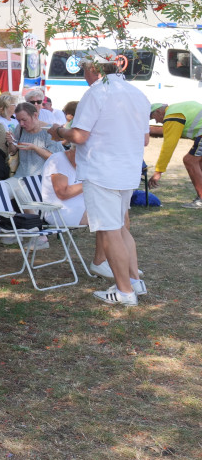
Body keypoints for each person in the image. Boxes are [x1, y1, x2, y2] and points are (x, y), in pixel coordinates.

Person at [48, 48, 150, 306]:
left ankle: (125, 291)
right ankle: (134, 280)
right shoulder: (137, 93)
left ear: (93, 69)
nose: (84, 75)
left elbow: (80, 136)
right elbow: (146, 138)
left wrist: (59, 130)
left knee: (110, 230)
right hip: (127, 170)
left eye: (84, 69)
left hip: (101, 171)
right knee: (119, 227)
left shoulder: (97, 92)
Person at [146, 102, 202, 208]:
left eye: (154, 118)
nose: (157, 122)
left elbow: (168, 146)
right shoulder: (177, 109)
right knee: (198, 163)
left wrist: (158, 171)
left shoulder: (172, 116)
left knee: (190, 160)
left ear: (158, 111)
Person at [8, 102, 63, 179]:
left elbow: (55, 157)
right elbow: (12, 151)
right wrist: (11, 142)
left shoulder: (49, 131)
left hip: (42, 178)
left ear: (35, 115)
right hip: (20, 176)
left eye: (24, 120)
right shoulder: (19, 128)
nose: (21, 124)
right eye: (18, 120)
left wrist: (35, 148)